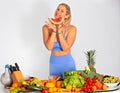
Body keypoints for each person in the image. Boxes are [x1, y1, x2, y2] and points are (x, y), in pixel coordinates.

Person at [42, 3, 77, 79]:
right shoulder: (46, 27)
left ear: (67, 15)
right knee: (54, 89)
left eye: (62, 11)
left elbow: (65, 48)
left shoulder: (72, 29)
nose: (58, 12)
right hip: (54, 64)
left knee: (70, 90)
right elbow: (49, 47)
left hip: (67, 64)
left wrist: (59, 31)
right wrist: (54, 30)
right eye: (58, 9)